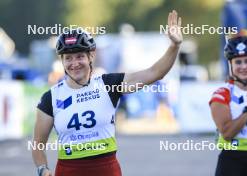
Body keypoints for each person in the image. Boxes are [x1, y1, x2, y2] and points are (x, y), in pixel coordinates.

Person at [32, 10, 182, 176]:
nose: (74, 63)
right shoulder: (50, 97)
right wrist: (43, 169)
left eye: (79, 56)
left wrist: (174, 46)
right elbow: (38, 144)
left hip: (106, 169)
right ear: (62, 61)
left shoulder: (109, 84)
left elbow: (154, 72)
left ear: (91, 56)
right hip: (68, 171)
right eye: (68, 58)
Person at [209, 29, 247, 176]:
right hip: (232, 162)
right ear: (230, 64)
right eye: (238, 62)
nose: (244, 66)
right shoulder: (222, 94)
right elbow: (227, 133)